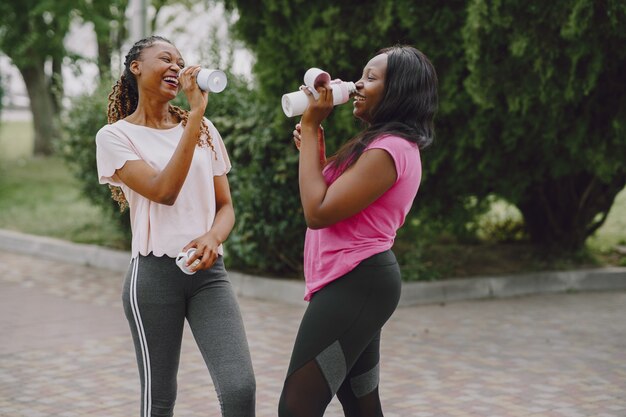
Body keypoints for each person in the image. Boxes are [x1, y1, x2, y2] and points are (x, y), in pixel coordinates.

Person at [95, 35, 255, 417]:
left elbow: (225, 206)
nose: (176, 67)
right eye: (165, 58)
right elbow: (162, 191)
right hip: (152, 278)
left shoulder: (205, 130)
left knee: (239, 388)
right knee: (160, 399)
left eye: (180, 61)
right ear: (136, 67)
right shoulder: (115, 136)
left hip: (209, 275)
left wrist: (213, 237)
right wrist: (195, 116)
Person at [279, 45, 438, 417]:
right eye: (361, 76)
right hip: (357, 282)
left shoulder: (389, 150)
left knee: (296, 408)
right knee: (362, 404)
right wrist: (314, 145)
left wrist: (311, 123)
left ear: (398, 92)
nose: (358, 85)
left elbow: (317, 213)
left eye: (371, 77)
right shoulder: (376, 146)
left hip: (356, 282)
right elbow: (326, 196)